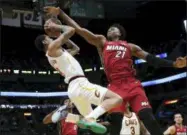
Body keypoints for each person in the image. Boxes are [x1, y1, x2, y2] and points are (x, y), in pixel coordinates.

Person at [43, 6, 187, 135]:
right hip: (115, 86)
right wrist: (61, 13)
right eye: (109, 28)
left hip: (132, 84)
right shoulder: (102, 42)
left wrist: (174, 64)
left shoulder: (130, 46)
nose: (111, 29)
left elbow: (151, 59)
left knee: (148, 118)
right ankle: (83, 117)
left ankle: (84, 117)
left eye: (114, 28)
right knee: (115, 124)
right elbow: (80, 30)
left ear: (120, 33)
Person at [34, 19, 122, 134]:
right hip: (79, 84)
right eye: (48, 38)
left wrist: (58, 34)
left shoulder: (57, 55)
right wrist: (57, 27)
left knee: (94, 124)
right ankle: (89, 119)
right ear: (45, 42)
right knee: (116, 99)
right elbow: (71, 30)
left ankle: (90, 119)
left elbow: (76, 48)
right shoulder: (52, 48)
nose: (51, 38)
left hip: (73, 90)